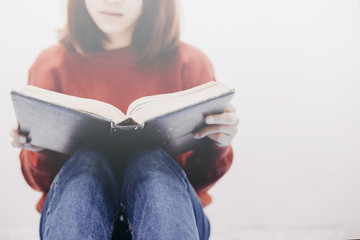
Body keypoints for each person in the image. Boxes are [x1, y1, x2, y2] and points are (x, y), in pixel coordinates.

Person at [10, 0, 239, 239]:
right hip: (76, 217)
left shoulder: (190, 63)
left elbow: (199, 182)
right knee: (88, 162)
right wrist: (39, 145)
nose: (111, 2)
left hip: (172, 218)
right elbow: (44, 183)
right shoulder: (50, 65)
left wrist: (218, 143)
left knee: (149, 162)